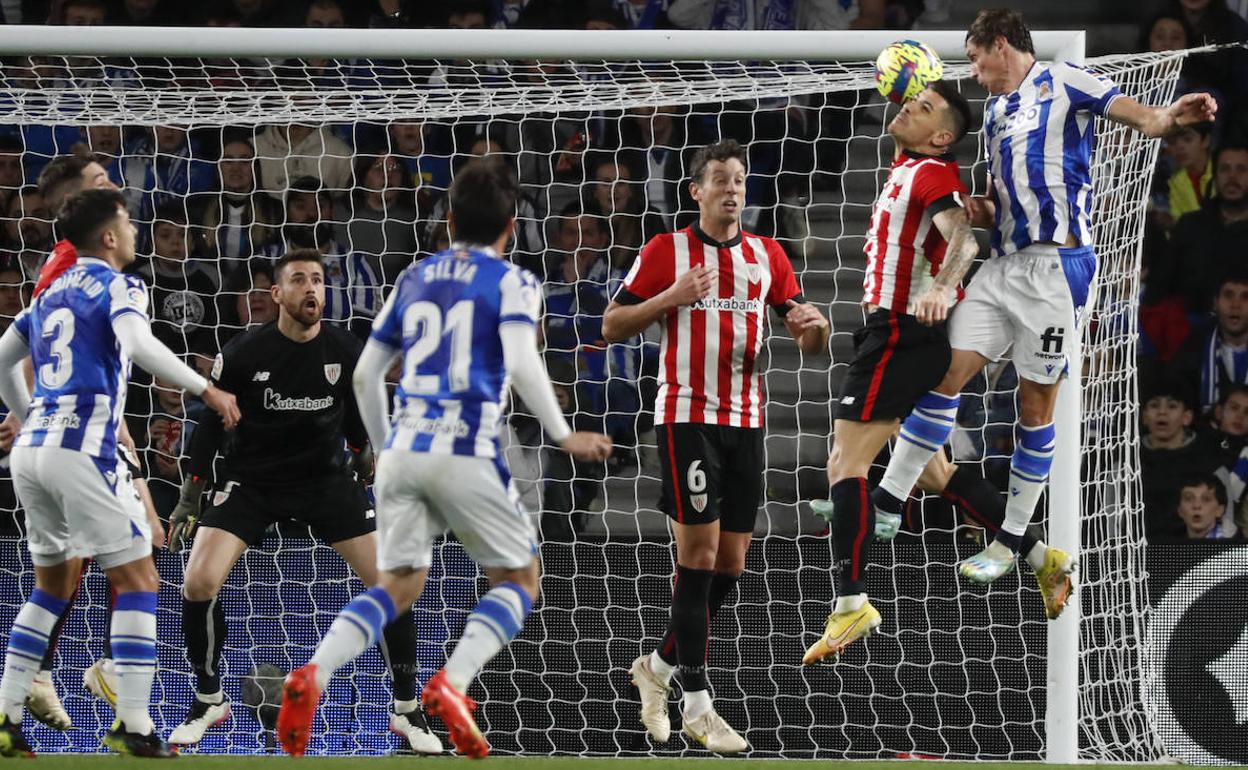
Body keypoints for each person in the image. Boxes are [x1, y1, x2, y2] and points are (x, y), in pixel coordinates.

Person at [273, 158, 613, 759]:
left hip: (404, 450)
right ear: (512, 228)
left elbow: (366, 375)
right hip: (466, 447)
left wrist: (384, 448)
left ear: (449, 221)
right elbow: (520, 358)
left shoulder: (414, 276)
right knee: (520, 579)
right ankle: (453, 682)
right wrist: (563, 434)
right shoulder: (512, 280)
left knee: (399, 586)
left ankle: (314, 673)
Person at [864, 9, 1217, 585]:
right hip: (1003, 265)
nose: (972, 73)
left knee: (1034, 409)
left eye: (975, 59)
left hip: (1057, 270)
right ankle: (886, 503)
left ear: (1001, 45)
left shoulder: (1065, 79)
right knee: (942, 374)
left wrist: (1174, 115)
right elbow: (996, 202)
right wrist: (966, 207)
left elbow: (1146, 119)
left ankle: (1011, 539)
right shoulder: (996, 112)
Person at [162, 249, 441, 754]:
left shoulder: (345, 348)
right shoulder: (244, 353)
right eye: (298, 280)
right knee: (198, 581)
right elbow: (211, 424)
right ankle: (208, 700)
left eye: (317, 280)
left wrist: (362, 451)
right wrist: (192, 492)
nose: (311, 288)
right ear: (277, 294)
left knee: (393, 585)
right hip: (253, 482)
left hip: (324, 481)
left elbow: (353, 407)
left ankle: (406, 709)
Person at [601, 138, 828, 754]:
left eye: (740, 179)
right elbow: (611, 325)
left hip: (746, 421)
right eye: (720, 179)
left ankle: (656, 666)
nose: (732, 189)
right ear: (696, 191)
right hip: (686, 417)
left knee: (730, 565)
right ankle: (698, 704)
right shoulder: (665, 250)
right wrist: (671, 297)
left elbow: (806, 334)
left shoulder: (767, 254)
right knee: (698, 556)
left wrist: (815, 328)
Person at [0, 188, 239, 757]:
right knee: (140, 581)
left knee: (51, 587)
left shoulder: (51, 292)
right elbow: (138, 341)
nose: (135, 230)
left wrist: (28, 415)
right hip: (82, 448)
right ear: (109, 236)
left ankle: (6, 718)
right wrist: (205, 388)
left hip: (33, 453)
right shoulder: (119, 284)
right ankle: (134, 725)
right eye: (128, 222)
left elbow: (1, 358)